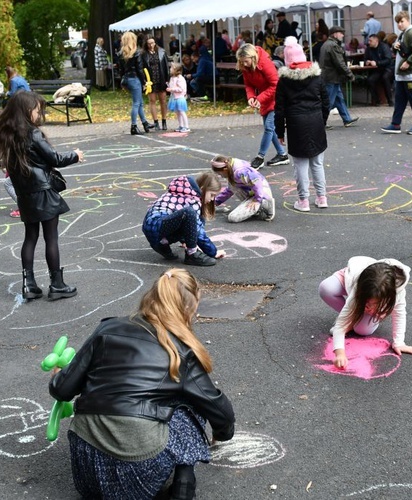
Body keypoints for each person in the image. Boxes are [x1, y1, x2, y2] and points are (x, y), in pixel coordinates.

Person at [48, 268, 235, 500]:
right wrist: (223, 433)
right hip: (136, 475)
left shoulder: (106, 329)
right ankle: (184, 485)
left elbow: (62, 390)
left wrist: (58, 374)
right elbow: (218, 408)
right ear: (191, 306)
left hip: (88, 471)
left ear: (151, 296)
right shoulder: (180, 351)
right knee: (191, 406)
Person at [0, 91, 83, 301]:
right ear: (26, 111)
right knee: (51, 238)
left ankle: (28, 284)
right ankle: (57, 284)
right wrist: (75, 155)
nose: (38, 114)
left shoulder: (9, 135)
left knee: (30, 238)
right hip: (43, 192)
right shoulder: (33, 134)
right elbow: (55, 158)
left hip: (25, 194)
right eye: (36, 110)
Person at [319, 256, 412, 370]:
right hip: (350, 278)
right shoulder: (358, 292)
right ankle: (353, 317)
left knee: (362, 330)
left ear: (389, 298)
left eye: (374, 304)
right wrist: (340, 354)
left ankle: (355, 319)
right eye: (366, 303)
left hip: (369, 287)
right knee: (326, 288)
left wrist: (399, 342)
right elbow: (339, 326)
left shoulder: (397, 293)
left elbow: (399, 314)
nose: (369, 306)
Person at [275, 37, 330, 213]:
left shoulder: (284, 81)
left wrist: (279, 132)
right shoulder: (316, 76)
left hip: (295, 122)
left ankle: (303, 200)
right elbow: (326, 102)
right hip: (315, 120)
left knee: (300, 164)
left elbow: (279, 109)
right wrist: (322, 120)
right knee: (317, 162)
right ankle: (322, 197)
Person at [142, 172, 226, 266]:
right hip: (158, 224)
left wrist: (186, 240)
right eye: (212, 195)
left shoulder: (181, 192)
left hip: (151, 226)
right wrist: (213, 252)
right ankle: (192, 254)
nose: (212, 199)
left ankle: (162, 244)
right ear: (203, 189)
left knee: (189, 217)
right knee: (189, 213)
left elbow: (181, 222)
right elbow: (198, 231)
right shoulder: (193, 200)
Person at [236, 43, 290, 170]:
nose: (244, 64)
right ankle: (282, 155)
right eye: (241, 62)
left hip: (276, 97)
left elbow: (275, 85)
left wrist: (259, 98)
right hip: (265, 98)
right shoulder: (246, 67)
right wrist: (251, 97)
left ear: (253, 57)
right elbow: (248, 85)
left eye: (246, 61)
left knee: (269, 127)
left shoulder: (265, 63)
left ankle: (260, 157)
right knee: (270, 128)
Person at [381, 11, 412, 135]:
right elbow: (404, 50)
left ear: (408, 20)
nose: (400, 24)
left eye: (402, 21)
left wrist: (409, 62)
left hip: (411, 73)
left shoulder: (411, 33)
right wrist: (395, 46)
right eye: (398, 22)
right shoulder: (403, 34)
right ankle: (395, 124)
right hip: (403, 75)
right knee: (400, 99)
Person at [211, 155, 275, 222]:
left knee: (233, 217)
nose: (221, 176)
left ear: (225, 169)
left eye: (220, 174)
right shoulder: (232, 167)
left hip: (262, 194)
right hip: (253, 192)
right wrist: (215, 202)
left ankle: (266, 203)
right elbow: (229, 190)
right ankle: (256, 208)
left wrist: (257, 200)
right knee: (233, 186)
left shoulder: (240, 172)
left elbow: (257, 183)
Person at [319, 26, 359, 128]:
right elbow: (340, 63)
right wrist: (350, 74)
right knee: (328, 101)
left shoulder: (327, 44)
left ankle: (347, 119)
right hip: (331, 78)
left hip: (329, 77)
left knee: (339, 99)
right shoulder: (333, 45)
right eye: (341, 33)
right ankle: (321, 122)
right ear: (334, 34)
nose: (342, 35)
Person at [120, 31, 152, 135]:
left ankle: (144, 123)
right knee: (136, 103)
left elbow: (121, 70)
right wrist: (144, 82)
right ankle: (133, 126)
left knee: (139, 102)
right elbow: (139, 69)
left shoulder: (121, 53)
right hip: (135, 79)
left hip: (126, 79)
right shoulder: (136, 52)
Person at [143, 35, 170, 131]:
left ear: (155, 43)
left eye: (152, 43)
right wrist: (145, 81)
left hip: (161, 78)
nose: (151, 45)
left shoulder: (161, 52)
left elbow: (166, 66)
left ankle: (164, 121)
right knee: (152, 101)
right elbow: (143, 68)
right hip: (150, 80)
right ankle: (156, 122)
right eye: (149, 43)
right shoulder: (144, 54)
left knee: (163, 100)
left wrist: (167, 79)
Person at [365, 34, 393, 106]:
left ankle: (390, 100)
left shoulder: (384, 47)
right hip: (377, 69)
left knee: (385, 78)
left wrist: (377, 63)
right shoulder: (368, 49)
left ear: (376, 40)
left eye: (370, 41)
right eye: (369, 41)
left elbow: (388, 60)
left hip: (387, 68)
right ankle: (376, 100)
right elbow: (365, 59)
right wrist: (367, 62)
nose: (369, 42)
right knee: (370, 80)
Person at [167, 63, 190, 133]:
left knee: (182, 112)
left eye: (172, 68)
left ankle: (186, 127)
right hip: (174, 97)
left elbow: (181, 89)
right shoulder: (172, 78)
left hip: (180, 98)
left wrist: (172, 89)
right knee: (178, 112)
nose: (170, 69)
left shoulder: (180, 78)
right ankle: (181, 125)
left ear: (177, 70)